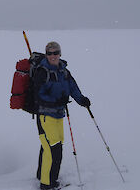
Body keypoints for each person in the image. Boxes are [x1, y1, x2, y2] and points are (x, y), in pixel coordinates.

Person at [34, 41, 91, 190]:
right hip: (45, 116)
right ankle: (47, 184)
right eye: (50, 53)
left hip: (58, 115)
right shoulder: (42, 72)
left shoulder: (64, 71)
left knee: (53, 146)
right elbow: (38, 95)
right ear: (46, 55)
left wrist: (81, 100)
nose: (53, 56)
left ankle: (45, 176)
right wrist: (55, 101)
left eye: (55, 52)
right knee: (53, 150)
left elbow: (73, 87)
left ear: (60, 53)